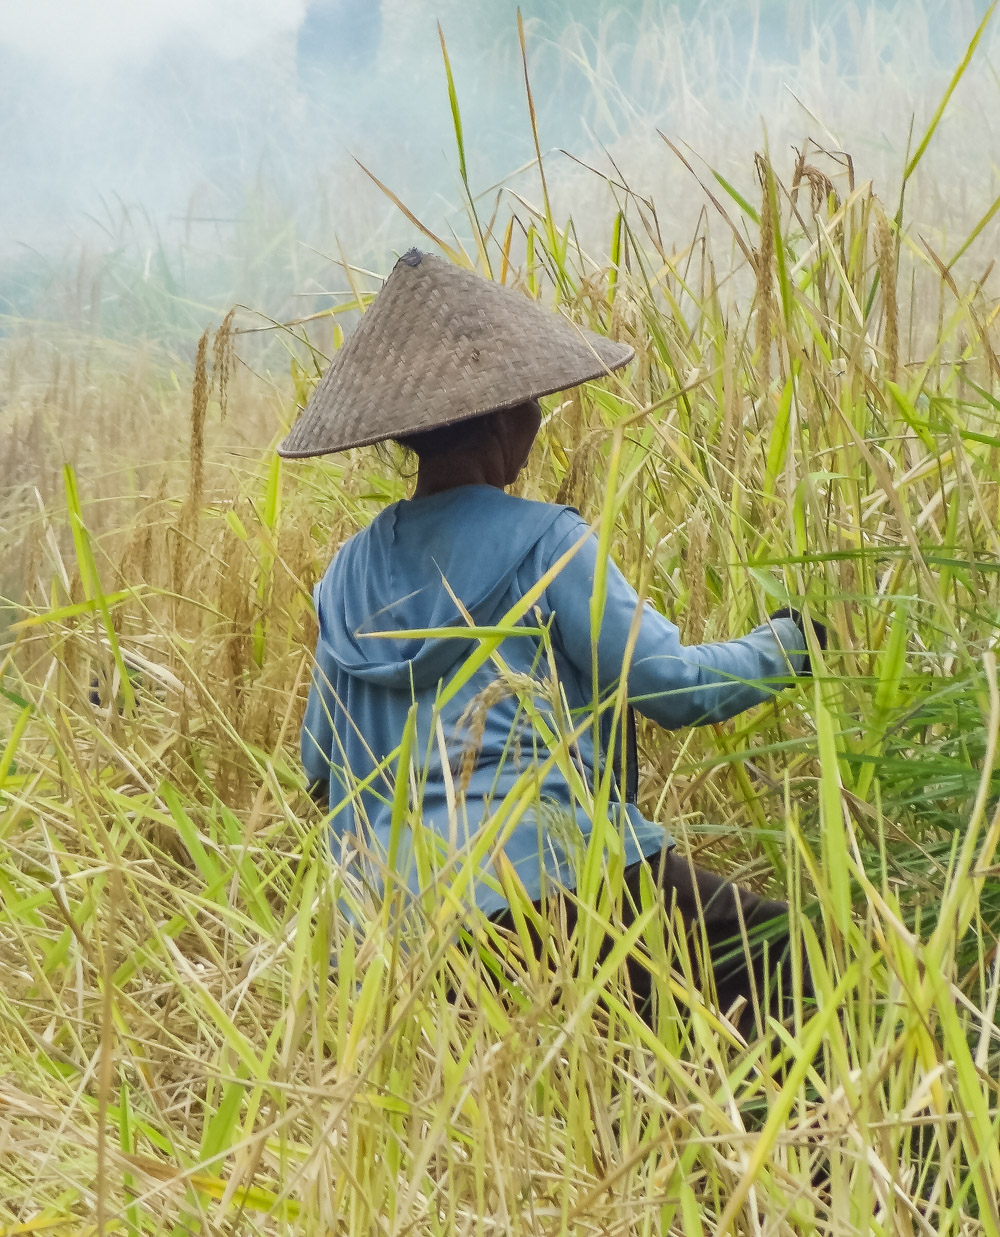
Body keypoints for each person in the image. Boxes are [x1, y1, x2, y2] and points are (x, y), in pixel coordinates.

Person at [278, 249, 822, 1034]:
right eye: (533, 405)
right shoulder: (547, 543)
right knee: (796, 960)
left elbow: (320, 768)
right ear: (504, 419)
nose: (537, 421)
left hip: (384, 928)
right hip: (553, 887)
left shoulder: (344, 576)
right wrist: (793, 644)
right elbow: (673, 687)